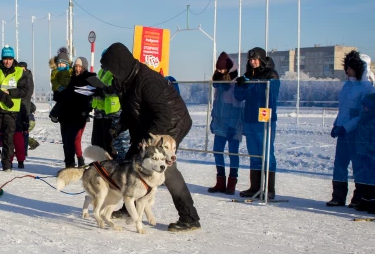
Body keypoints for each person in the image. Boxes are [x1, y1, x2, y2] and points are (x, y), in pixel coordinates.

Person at [100, 42, 200, 232]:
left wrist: (148, 140)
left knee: (163, 168)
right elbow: (131, 112)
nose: (110, 74)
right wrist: (118, 128)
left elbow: (163, 115)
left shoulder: (147, 81)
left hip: (171, 124)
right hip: (148, 123)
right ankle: (129, 209)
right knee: (131, 161)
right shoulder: (124, 81)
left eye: (111, 69)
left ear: (120, 64)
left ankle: (190, 217)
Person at [326, 50, 375, 207]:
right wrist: (336, 124)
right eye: (346, 66)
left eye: (350, 67)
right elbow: (344, 110)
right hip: (342, 132)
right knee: (340, 164)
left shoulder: (366, 88)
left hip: (356, 134)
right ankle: (338, 196)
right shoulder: (347, 86)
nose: (347, 70)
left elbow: (362, 115)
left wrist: (346, 128)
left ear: (358, 67)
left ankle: (359, 197)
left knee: (358, 166)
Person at [233, 48, 280, 200]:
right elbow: (239, 97)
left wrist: (251, 84)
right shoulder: (248, 75)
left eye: (255, 59)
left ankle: (269, 189)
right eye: (250, 59)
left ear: (261, 59)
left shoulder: (271, 74)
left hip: (265, 119)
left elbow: (270, 94)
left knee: (266, 153)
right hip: (250, 118)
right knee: (254, 153)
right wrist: (240, 85)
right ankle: (255, 187)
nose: (252, 62)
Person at [0, 45, 30, 171]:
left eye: (9, 58)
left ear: (13, 58)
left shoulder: (20, 72)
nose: (7, 61)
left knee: (9, 138)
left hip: (11, 110)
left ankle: (7, 164)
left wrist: (10, 93)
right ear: (2, 58)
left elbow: (24, 90)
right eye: (5, 58)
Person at [207, 52, 244, 195]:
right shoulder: (219, 83)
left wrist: (233, 126)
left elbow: (237, 106)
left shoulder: (235, 82)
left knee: (233, 153)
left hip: (233, 125)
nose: (220, 71)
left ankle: (232, 183)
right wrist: (213, 120)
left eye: (222, 69)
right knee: (217, 151)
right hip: (220, 123)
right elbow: (217, 104)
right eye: (218, 69)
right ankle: (220, 182)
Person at [56, 56, 95, 168]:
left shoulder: (89, 80)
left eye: (80, 67)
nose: (77, 69)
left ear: (84, 67)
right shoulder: (69, 79)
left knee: (72, 140)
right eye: (76, 66)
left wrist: (87, 110)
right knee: (66, 142)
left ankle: (76, 162)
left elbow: (92, 96)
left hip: (78, 116)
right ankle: (69, 165)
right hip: (65, 115)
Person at [353, 93, 375, 212]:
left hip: (371, 154)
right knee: (365, 180)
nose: (364, 108)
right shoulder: (363, 118)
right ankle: (364, 202)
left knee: (372, 181)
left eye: (366, 106)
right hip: (363, 153)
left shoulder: (372, 120)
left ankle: (372, 203)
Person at [12, 61, 34, 169]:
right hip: (13, 107)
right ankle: (9, 158)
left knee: (22, 136)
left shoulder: (28, 77)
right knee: (11, 139)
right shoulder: (16, 76)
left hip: (23, 108)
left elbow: (28, 92)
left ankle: (22, 156)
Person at [49, 47, 72, 123]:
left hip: (68, 90)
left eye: (63, 63)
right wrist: (59, 87)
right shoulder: (55, 72)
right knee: (61, 102)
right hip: (58, 90)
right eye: (59, 63)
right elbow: (53, 80)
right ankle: (53, 114)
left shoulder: (71, 70)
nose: (61, 65)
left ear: (67, 63)